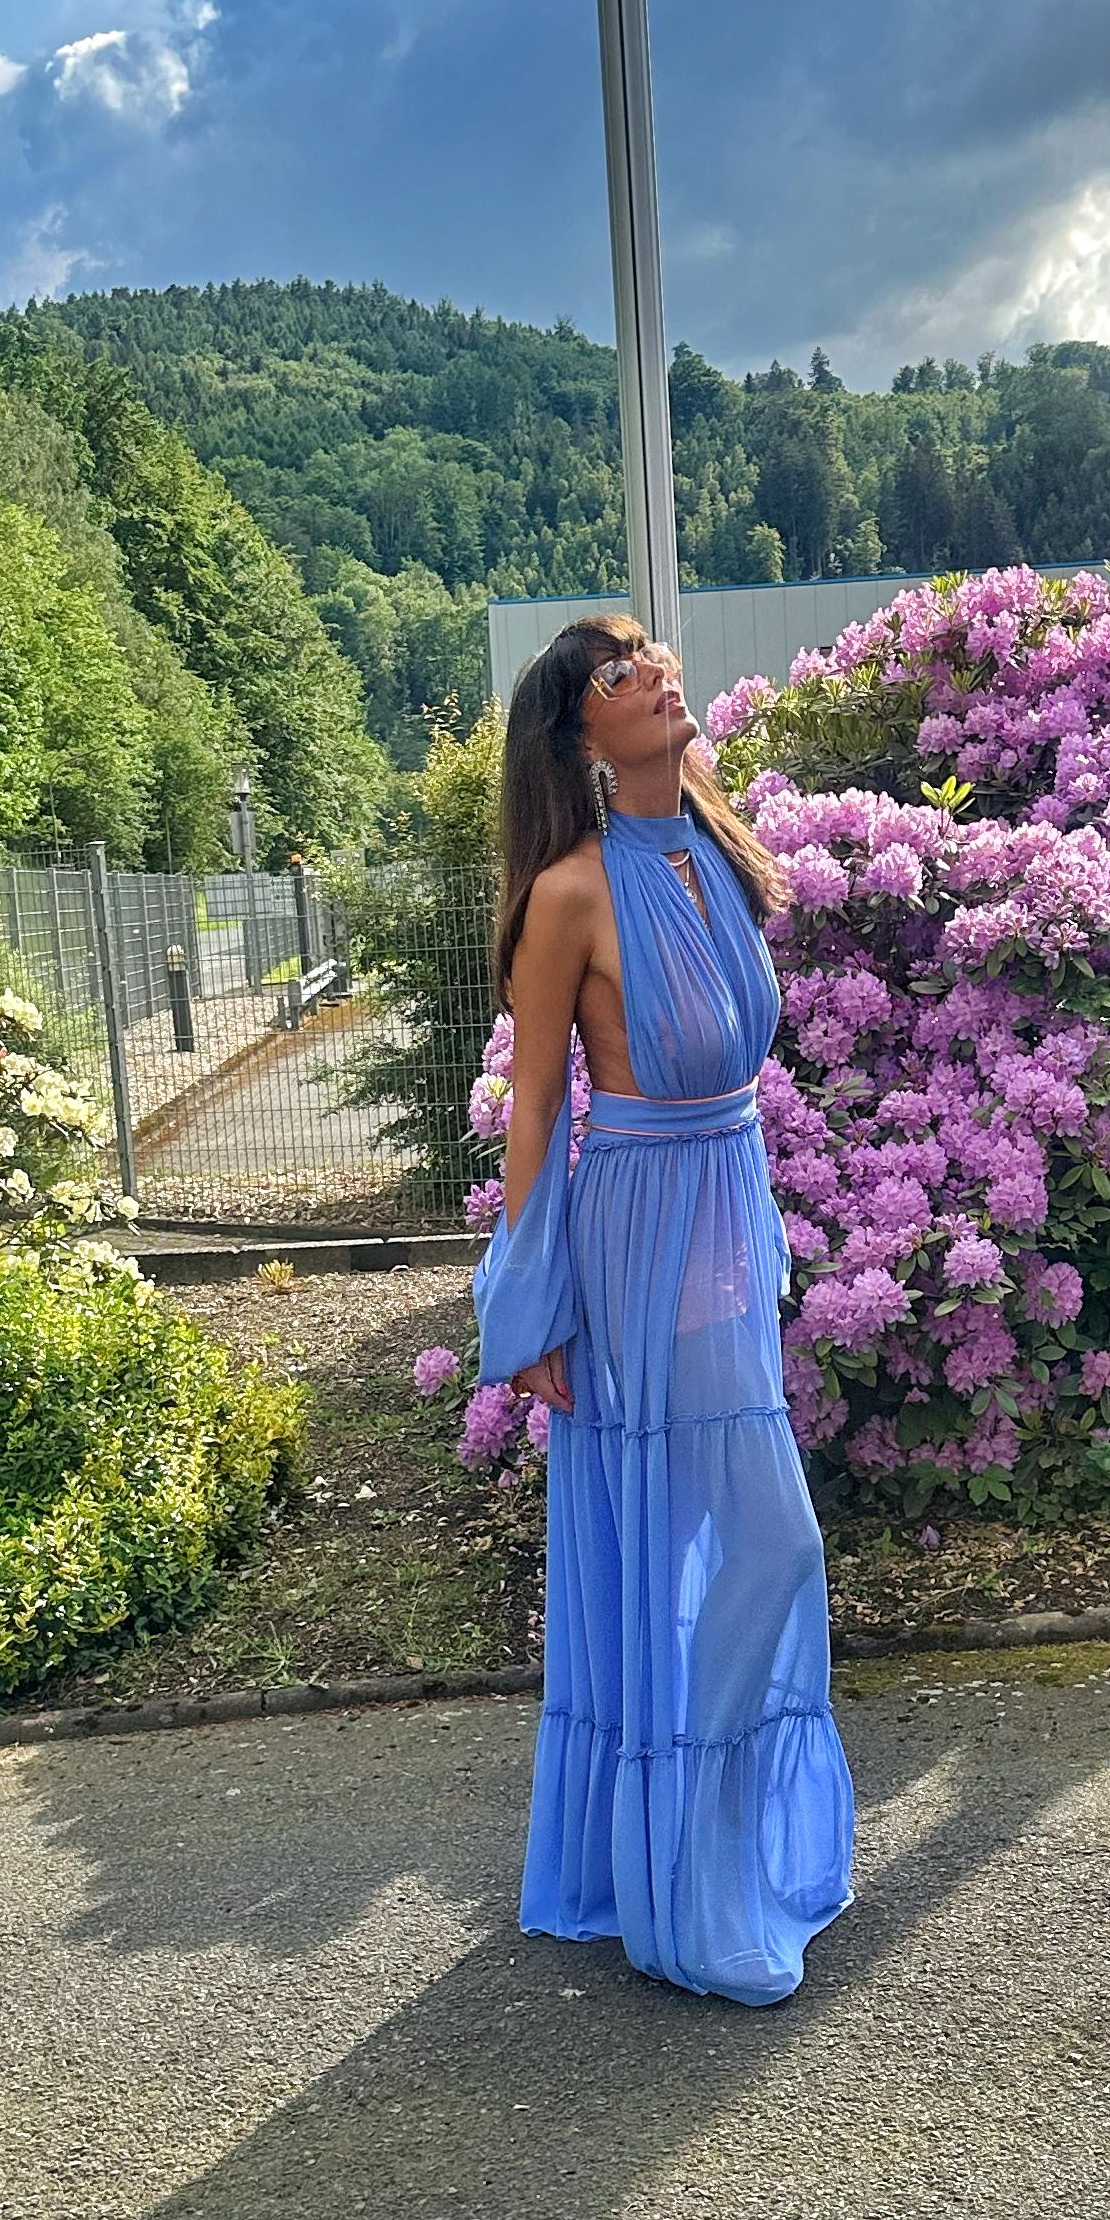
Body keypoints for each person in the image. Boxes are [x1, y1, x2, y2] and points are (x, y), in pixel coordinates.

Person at [473, 616, 856, 2005]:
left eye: (650, 652)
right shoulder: (567, 896)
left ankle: (713, 1847)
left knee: (719, 1541)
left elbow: (730, 1081)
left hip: (724, 1217)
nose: (655, 674)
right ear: (582, 733)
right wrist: (532, 1317)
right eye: (617, 673)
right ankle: (686, 1873)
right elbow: (531, 1116)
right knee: (754, 1541)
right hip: (635, 1235)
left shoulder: (713, 854)